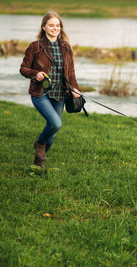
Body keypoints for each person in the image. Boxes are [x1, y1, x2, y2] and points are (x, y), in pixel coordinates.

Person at [20, 11, 81, 168]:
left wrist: (75, 88)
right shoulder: (35, 47)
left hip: (60, 94)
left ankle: (38, 163)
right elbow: (23, 69)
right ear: (44, 27)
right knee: (55, 123)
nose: (55, 28)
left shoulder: (66, 47)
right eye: (51, 25)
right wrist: (36, 73)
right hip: (40, 93)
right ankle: (39, 143)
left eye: (58, 25)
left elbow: (71, 72)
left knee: (53, 134)